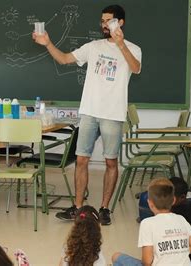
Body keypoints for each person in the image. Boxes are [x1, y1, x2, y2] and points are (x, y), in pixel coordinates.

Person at [33, 4, 142, 225]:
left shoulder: (133, 48)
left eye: (109, 20)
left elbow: (136, 68)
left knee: (111, 162)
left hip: (113, 113)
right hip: (89, 111)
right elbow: (64, 59)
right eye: (102, 20)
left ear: (120, 23)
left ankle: (104, 209)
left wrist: (120, 44)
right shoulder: (93, 46)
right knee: (81, 159)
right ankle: (78, 206)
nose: (104, 24)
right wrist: (48, 44)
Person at [112, 178, 191, 266]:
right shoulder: (181, 219)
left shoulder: (147, 223)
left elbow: (147, 262)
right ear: (173, 200)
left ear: (149, 203)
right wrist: (176, 251)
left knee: (116, 257)